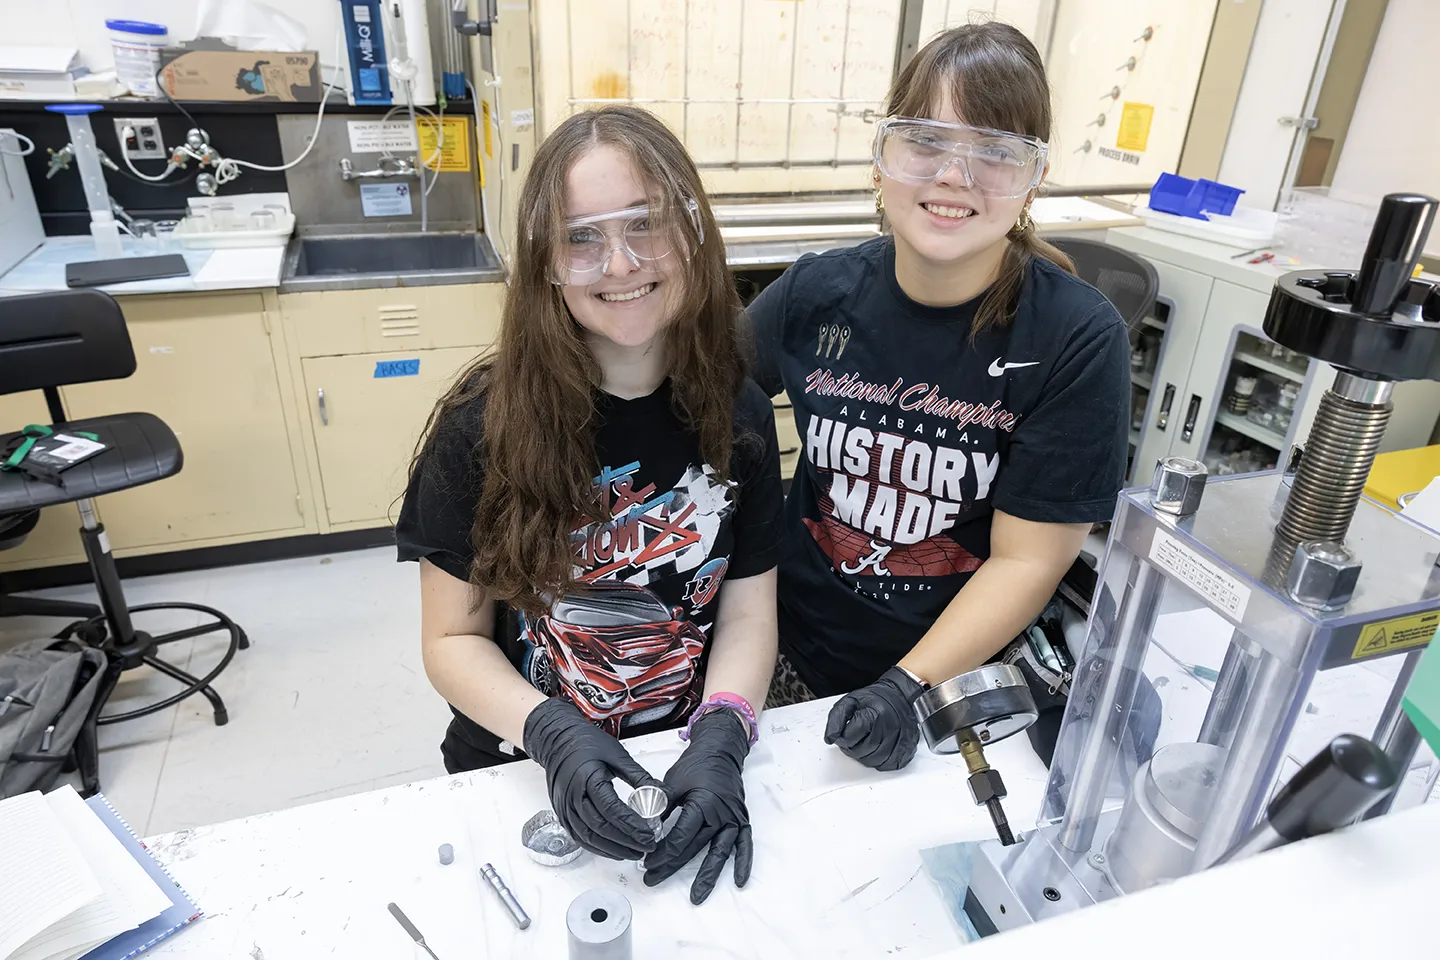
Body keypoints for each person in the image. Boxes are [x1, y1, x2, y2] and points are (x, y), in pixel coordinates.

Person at [396, 106, 784, 904]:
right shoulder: (482, 427)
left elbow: (746, 610)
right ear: (545, 264)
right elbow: (450, 637)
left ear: (692, 233)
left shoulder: (736, 410)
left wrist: (724, 730)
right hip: (520, 767)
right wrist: (550, 733)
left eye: (645, 224)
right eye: (582, 237)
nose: (620, 261)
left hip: (679, 757)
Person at [748, 22, 1130, 771]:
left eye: (997, 152)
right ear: (882, 157)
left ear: (1034, 178)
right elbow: (692, 393)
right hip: (792, 648)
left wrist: (906, 686)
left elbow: (1027, 561)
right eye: (925, 141)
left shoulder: (1075, 336)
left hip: (953, 675)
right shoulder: (816, 293)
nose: (955, 176)